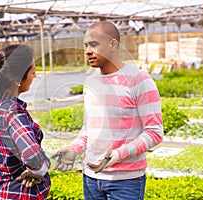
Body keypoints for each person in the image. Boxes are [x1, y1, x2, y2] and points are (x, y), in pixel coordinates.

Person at [51, 21, 163, 200]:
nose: (87, 50)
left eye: (94, 44)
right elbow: (90, 129)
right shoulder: (91, 82)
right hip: (90, 179)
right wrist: (74, 148)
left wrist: (120, 154)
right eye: (86, 45)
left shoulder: (139, 80)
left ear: (113, 45)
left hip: (125, 182)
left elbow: (154, 132)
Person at [0, 44, 51, 200]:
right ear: (18, 79)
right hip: (20, 194)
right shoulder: (13, 113)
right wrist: (40, 168)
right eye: (33, 72)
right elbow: (33, 157)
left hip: (2, 191)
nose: (35, 76)